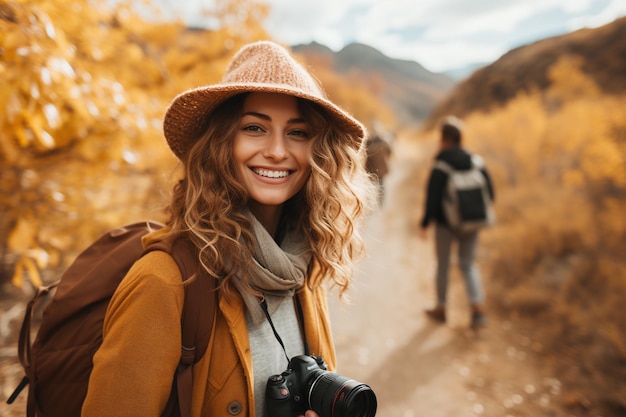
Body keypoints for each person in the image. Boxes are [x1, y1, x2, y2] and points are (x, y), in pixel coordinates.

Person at [81, 40, 376, 417]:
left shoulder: (302, 267)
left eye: (297, 132)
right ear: (220, 144)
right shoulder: (164, 283)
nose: (276, 151)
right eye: (254, 128)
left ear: (318, 152)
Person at [419, 115, 494, 328]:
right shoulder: (476, 160)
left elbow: (432, 197)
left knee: (443, 265)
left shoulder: (441, 163)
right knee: (468, 264)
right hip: (473, 222)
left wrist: (425, 223)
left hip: (446, 224)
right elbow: (490, 193)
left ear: (444, 137)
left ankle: (441, 308)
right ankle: (477, 310)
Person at [365, 134, 392, 206]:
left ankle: (370, 203)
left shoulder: (368, 144)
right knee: (381, 186)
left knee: (370, 186)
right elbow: (389, 152)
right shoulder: (383, 143)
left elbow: (364, 155)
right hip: (380, 168)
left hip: (371, 168)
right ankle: (381, 203)